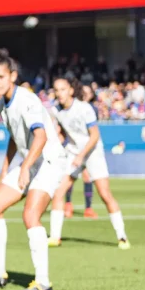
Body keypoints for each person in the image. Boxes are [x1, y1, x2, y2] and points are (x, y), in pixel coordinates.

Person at [0, 49, 65, 290]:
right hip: (28, 161)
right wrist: (6, 167)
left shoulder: (27, 100)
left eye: (0, 77)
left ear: (12, 76)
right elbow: (15, 137)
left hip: (48, 160)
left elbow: (41, 136)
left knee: (30, 214)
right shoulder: (2, 103)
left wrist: (23, 167)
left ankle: (43, 282)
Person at [48, 78, 129, 249]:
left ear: (71, 90)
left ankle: (122, 237)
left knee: (105, 194)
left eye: (62, 89)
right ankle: (55, 237)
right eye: (56, 89)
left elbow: (94, 135)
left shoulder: (84, 108)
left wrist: (82, 155)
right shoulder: (56, 111)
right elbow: (63, 133)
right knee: (58, 192)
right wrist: (55, 144)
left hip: (92, 152)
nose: (59, 93)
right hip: (73, 152)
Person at [62, 84, 98, 219]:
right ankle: (68, 205)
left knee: (87, 176)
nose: (86, 94)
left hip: (88, 148)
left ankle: (88, 208)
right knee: (69, 177)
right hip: (73, 148)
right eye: (84, 92)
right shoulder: (71, 108)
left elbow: (94, 131)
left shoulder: (91, 109)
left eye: (89, 92)